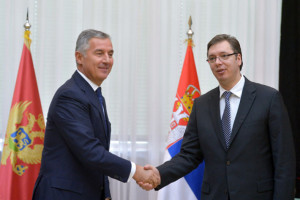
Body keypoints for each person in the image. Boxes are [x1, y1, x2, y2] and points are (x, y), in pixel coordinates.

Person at [140, 34, 296, 200]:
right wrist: (159, 173)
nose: (218, 62)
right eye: (212, 58)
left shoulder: (268, 99)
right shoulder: (201, 105)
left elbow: (284, 162)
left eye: (224, 56)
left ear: (239, 58)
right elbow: (189, 155)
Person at [32, 29, 159, 200]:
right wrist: (137, 172)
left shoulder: (94, 95)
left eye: (110, 54)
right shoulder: (69, 96)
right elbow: (90, 151)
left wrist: (104, 194)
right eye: (99, 53)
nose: (107, 60)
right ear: (79, 57)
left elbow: (99, 151)